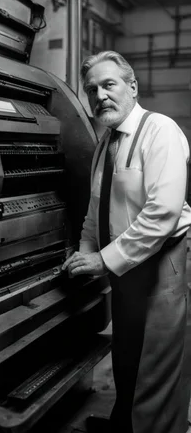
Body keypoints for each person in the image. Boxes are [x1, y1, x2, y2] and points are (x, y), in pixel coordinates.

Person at [62, 50, 191, 433]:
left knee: (157, 371)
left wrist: (102, 261)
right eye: (91, 89)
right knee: (128, 360)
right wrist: (84, 255)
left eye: (108, 84)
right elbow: (93, 211)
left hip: (162, 266)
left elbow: (162, 215)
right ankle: (125, 425)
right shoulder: (105, 144)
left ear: (132, 87)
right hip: (125, 268)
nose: (99, 95)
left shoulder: (160, 130)